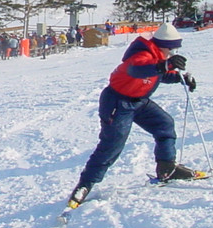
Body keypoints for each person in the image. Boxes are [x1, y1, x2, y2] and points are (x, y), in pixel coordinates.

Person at [65, 23, 201, 208]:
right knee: (112, 145)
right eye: (172, 48)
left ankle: (166, 168)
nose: (173, 51)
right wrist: (165, 65)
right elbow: (138, 70)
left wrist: (181, 78)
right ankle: (84, 185)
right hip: (117, 102)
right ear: (162, 45)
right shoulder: (143, 55)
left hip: (139, 101)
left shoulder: (158, 57)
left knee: (165, 125)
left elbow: (160, 74)